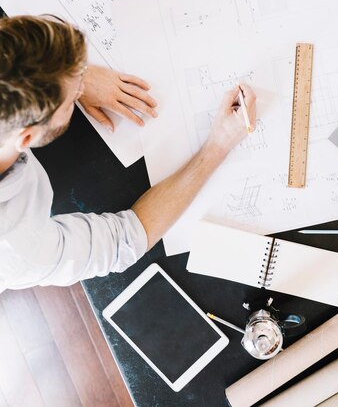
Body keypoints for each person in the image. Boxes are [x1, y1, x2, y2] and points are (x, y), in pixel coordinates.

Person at [0, 15, 256, 292]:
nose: (82, 87)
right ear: (27, 136)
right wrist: (217, 146)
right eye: (73, 98)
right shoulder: (20, 249)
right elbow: (124, 239)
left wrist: (69, 73)